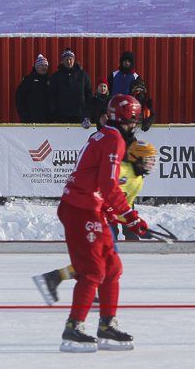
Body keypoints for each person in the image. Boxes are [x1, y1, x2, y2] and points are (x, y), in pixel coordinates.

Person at [52, 95, 146, 352]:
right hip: (80, 209)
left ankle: (106, 324)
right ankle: (74, 327)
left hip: (89, 207)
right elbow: (108, 184)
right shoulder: (114, 139)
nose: (135, 127)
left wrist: (110, 210)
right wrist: (130, 215)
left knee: (112, 266)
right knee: (93, 269)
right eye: (134, 121)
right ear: (128, 120)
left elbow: (93, 180)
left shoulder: (105, 135)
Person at [33, 140, 158, 302]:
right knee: (101, 261)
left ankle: (56, 277)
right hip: (94, 216)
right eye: (149, 160)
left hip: (108, 221)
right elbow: (102, 188)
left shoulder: (139, 181)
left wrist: (136, 225)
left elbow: (124, 209)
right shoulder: (121, 170)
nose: (151, 164)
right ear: (138, 159)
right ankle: (82, 290)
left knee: (103, 261)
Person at [48, 48, 93, 125]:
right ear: (63, 61)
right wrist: (54, 110)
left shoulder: (83, 74)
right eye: (66, 59)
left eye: (70, 59)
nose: (68, 62)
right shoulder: (56, 76)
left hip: (79, 113)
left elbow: (89, 92)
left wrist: (87, 109)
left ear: (74, 60)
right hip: (62, 114)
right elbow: (52, 94)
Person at [15, 55, 53, 123]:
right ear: (36, 67)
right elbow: (19, 97)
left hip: (47, 118)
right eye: (42, 65)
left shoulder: (51, 80)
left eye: (45, 66)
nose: (44, 67)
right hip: (31, 117)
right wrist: (22, 114)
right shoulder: (28, 80)